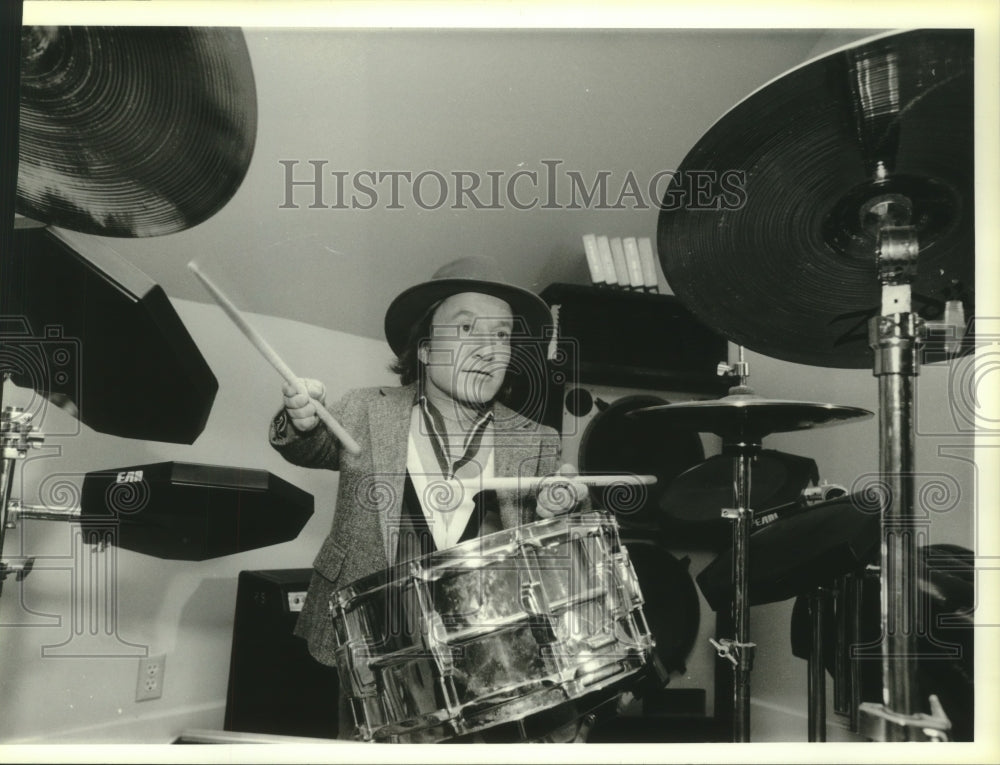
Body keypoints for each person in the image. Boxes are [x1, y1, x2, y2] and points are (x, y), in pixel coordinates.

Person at [269, 255, 590, 741]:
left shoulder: (536, 438)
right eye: (466, 329)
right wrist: (300, 418)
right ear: (423, 347)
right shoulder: (364, 409)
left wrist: (560, 513)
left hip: (488, 656)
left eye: (502, 335)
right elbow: (309, 444)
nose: (489, 350)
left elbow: (556, 551)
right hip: (373, 644)